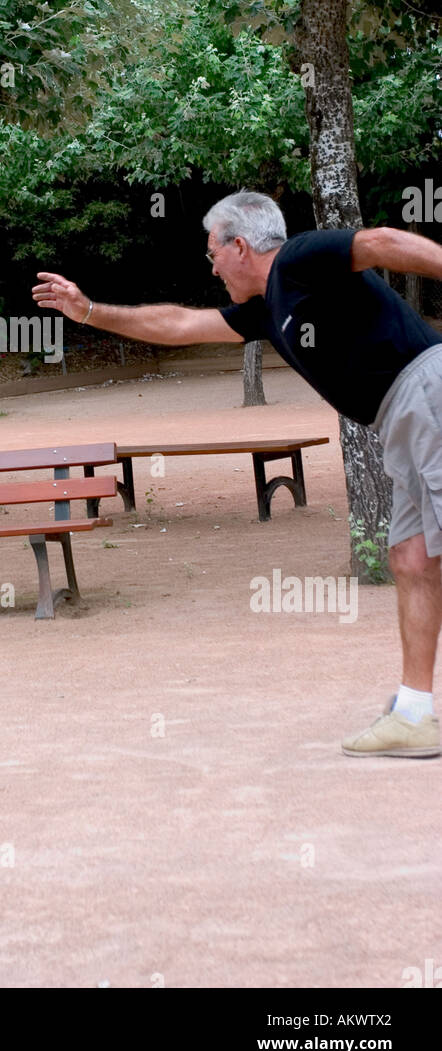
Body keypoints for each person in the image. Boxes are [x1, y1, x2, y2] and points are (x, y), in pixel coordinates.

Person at [32, 189, 442, 757]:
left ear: (240, 245)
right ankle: (416, 714)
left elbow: (382, 243)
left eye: (212, 254)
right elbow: (178, 324)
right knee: (412, 557)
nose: (213, 266)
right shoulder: (266, 310)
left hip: (427, 390)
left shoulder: (299, 259)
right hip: (401, 416)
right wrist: (90, 311)